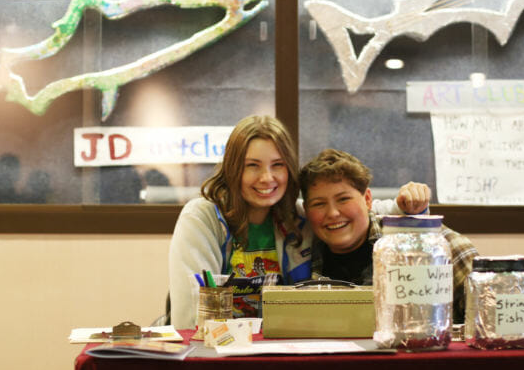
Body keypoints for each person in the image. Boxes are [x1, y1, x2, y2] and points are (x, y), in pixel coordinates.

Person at [168, 115, 432, 329]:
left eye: (278, 165)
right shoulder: (203, 217)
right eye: (252, 165)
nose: (266, 178)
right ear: (233, 168)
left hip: (276, 348)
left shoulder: (297, 217)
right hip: (216, 350)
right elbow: (189, 317)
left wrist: (408, 203)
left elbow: (362, 211)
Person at [299, 148, 478, 323]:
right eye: (319, 204)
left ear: (367, 199)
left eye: (343, 199)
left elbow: (485, 315)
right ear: (306, 210)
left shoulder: (429, 244)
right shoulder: (299, 257)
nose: (333, 213)